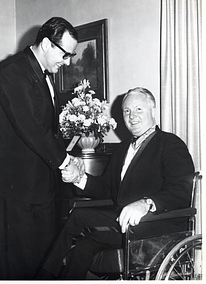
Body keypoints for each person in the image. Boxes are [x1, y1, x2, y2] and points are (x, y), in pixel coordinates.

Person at [35, 87, 195, 280]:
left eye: (138, 110)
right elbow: (106, 189)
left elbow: (181, 190)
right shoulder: (121, 150)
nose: (132, 116)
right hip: (124, 225)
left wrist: (146, 203)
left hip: (156, 225)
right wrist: (79, 177)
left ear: (153, 110)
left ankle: (43, 277)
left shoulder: (170, 144)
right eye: (127, 111)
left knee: (79, 215)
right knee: (84, 247)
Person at [0, 17, 83, 279]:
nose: (68, 62)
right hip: (13, 189)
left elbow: (48, 129)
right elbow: (32, 129)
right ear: (47, 44)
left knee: (42, 261)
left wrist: (66, 156)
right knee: (16, 265)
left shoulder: (44, 75)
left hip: (40, 188)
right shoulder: (11, 73)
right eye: (66, 54)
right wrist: (65, 162)